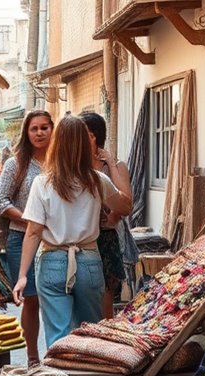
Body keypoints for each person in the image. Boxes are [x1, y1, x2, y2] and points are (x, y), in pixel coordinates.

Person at [12, 116, 132, 346]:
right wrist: (115, 167)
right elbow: (125, 207)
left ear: (56, 144)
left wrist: (22, 276)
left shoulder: (42, 182)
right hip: (88, 261)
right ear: (85, 144)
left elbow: (33, 232)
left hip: (51, 262)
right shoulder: (98, 180)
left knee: (58, 337)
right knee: (90, 335)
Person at [0, 110, 54, 366]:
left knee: (55, 297)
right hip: (22, 239)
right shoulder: (15, 163)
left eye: (44, 128)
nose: (39, 133)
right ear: (26, 133)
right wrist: (29, 220)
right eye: (34, 129)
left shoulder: (61, 162)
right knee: (31, 299)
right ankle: (32, 359)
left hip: (56, 240)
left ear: (53, 130)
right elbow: (0, 201)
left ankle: (58, 357)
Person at [78, 111, 131, 319]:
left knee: (104, 299)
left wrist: (109, 161)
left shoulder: (116, 166)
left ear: (92, 136)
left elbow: (126, 201)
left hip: (106, 238)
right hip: (81, 238)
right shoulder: (76, 166)